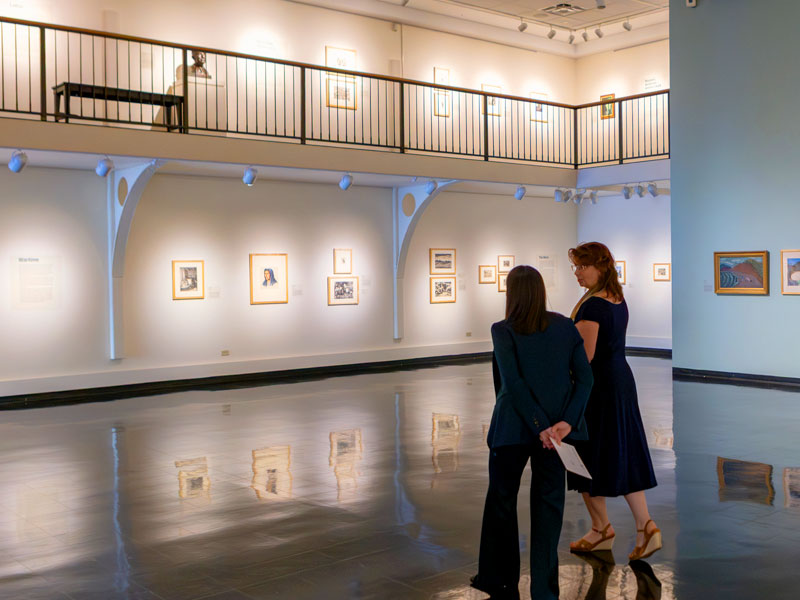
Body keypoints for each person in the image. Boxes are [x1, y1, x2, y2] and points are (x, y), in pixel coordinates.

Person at [471, 265, 593, 600]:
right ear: (541, 290)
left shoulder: (503, 330)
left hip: (513, 429)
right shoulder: (565, 327)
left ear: (510, 293)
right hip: (557, 434)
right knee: (548, 509)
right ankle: (544, 590)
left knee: (501, 502)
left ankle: (499, 578)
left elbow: (513, 384)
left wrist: (539, 426)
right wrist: (564, 423)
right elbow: (585, 379)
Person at [566, 242, 661, 561]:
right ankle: (643, 526)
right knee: (623, 451)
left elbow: (585, 357)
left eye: (583, 266)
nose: (578, 273)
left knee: (585, 455)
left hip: (598, 389)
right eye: (576, 267)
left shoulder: (593, 306)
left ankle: (602, 528)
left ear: (601, 267)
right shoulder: (616, 299)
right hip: (619, 380)